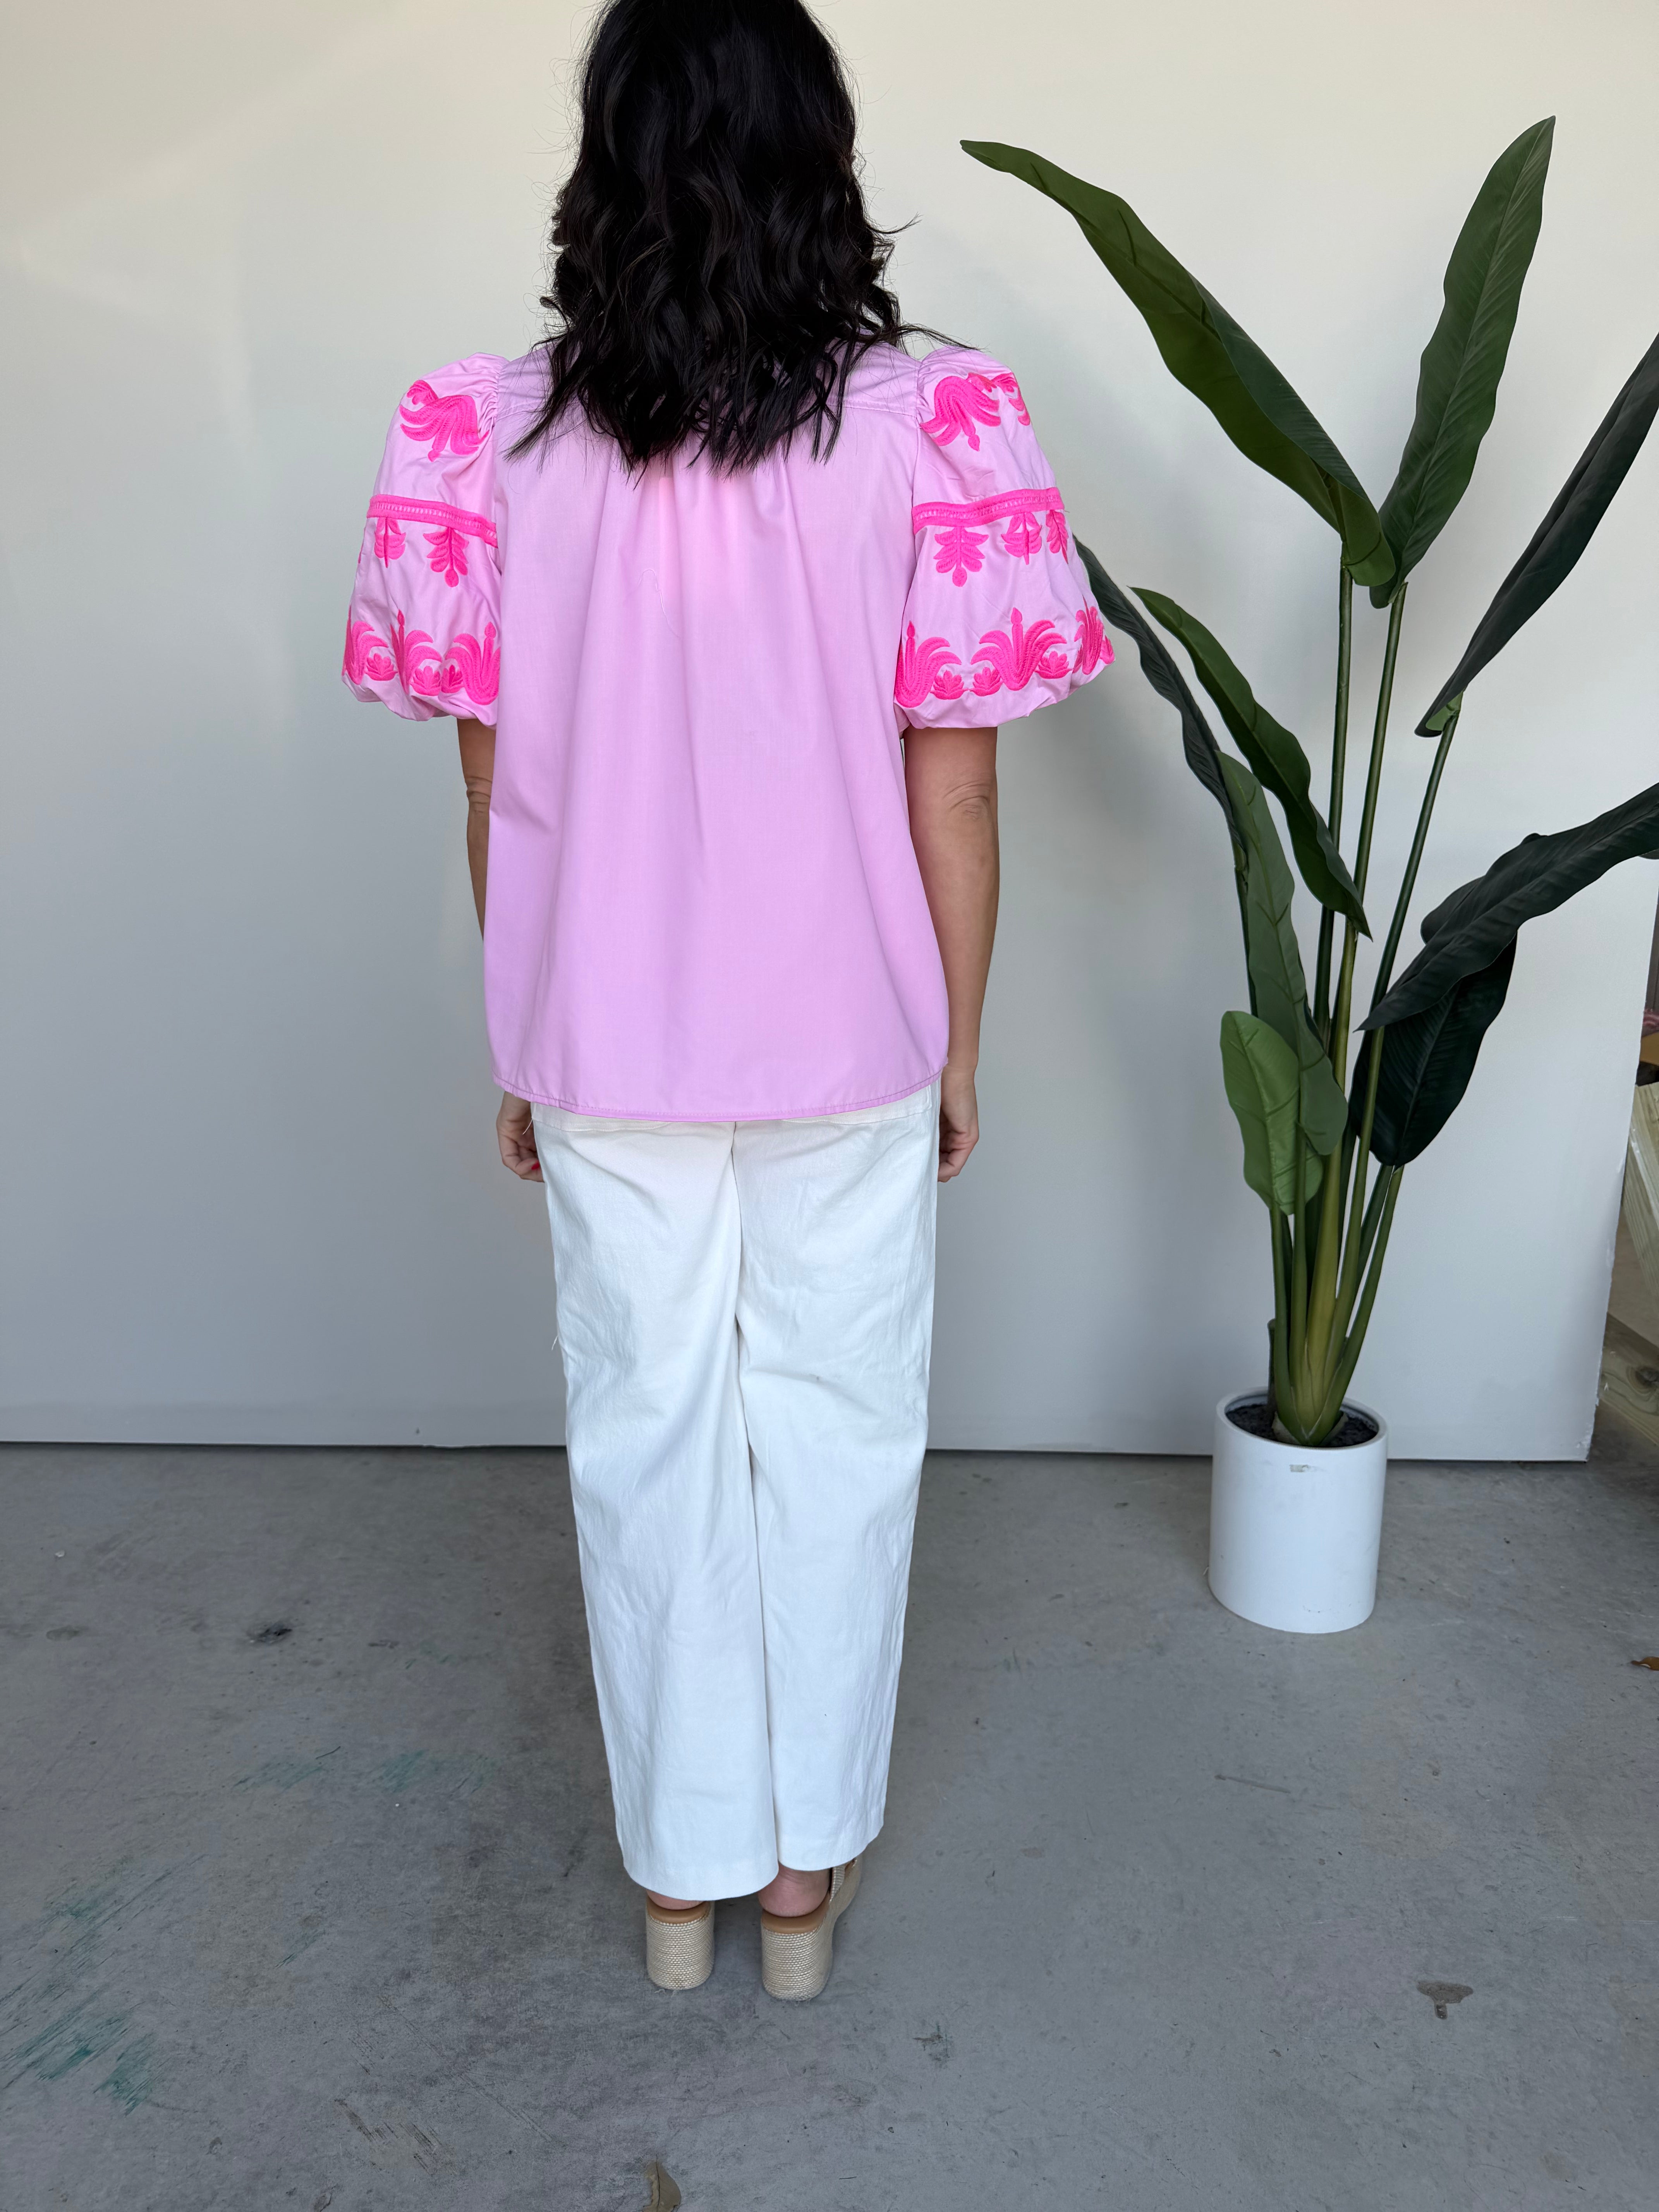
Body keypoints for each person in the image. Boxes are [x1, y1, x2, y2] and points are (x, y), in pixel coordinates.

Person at [343, 0, 1109, 2001]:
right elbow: (958, 784)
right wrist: (959, 1040)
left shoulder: (484, 435)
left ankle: (676, 1890)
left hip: (608, 1038)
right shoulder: (934, 425)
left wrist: (528, 1038)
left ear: (603, 162)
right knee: (840, 1434)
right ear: (819, 158)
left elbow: (495, 786)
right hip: (851, 1032)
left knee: (646, 1435)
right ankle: (797, 1888)